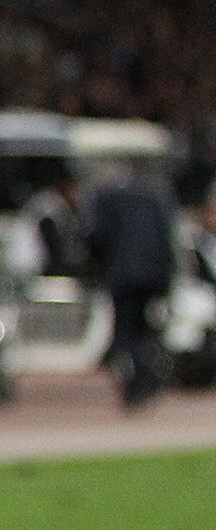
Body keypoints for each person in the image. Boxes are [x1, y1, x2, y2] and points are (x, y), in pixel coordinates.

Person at [85, 167, 178, 408]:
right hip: (152, 273)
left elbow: (96, 236)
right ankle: (145, 373)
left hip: (122, 275)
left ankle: (139, 378)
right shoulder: (153, 197)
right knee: (143, 329)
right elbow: (166, 236)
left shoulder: (106, 200)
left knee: (126, 331)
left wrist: (94, 266)